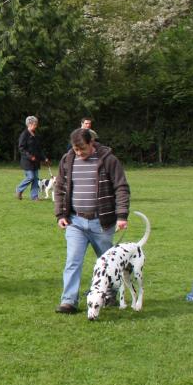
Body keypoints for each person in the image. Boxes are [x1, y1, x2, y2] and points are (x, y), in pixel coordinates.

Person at [53, 127, 130, 314]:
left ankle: (110, 294)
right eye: (76, 149)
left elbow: (121, 188)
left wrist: (121, 216)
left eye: (83, 149)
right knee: (73, 261)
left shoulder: (109, 160)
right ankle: (69, 301)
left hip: (102, 222)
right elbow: (60, 187)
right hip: (75, 222)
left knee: (107, 263)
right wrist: (61, 215)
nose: (79, 153)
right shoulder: (67, 160)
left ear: (91, 143)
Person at [15, 115, 45, 201]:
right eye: (35, 124)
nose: (36, 125)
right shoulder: (24, 134)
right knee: (30, 177)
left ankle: (34, 196)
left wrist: (44, 158)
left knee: (35, 179)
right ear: (30, 124)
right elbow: (21, 148)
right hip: (27, 161)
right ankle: (19, 189)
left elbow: (39, 149)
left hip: (36, 161)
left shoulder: (35, 135)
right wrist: (30, 156)